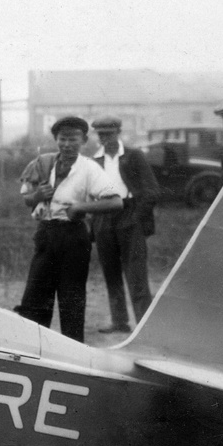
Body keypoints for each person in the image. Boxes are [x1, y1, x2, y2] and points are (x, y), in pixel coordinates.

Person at [14, 116, 123, 342]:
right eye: (62, 139)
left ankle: (73, 350)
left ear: (83, 140)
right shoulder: (44, 164)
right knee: (36, 296)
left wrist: (82, 207)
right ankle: (34, 349)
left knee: (71, 299)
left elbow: (115, 201)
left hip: (74, 236)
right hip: (46, 234)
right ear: (56, 140)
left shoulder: (89, 168)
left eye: (73, 139)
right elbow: (27, 199)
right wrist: (38, 195)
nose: (67, 145)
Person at [88, 115, 160, 334]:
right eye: (101, 135)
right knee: (111, 271)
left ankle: (145, 326)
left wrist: (137, 216)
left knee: (136, 272)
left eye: (109, 134)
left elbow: (151, 190)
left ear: (118, 133)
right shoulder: (94, 161)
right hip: (103, 217)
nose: (105, 139)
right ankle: (119, 321)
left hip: (129, 215)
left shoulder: (133, 156)